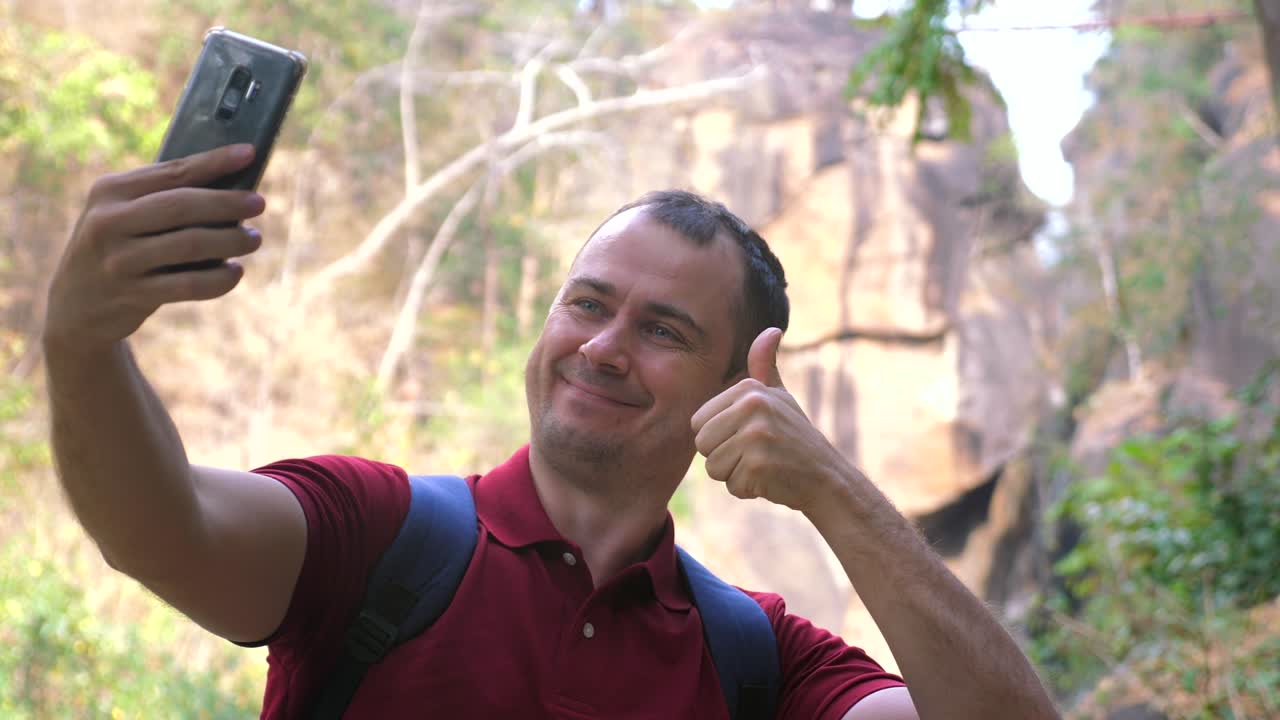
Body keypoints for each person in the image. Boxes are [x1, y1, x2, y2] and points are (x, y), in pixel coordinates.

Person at [43, 144, 1059, 720]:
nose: (604, 346)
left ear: (735, 384)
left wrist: (835, 491)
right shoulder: (378, 536)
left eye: (662, 330)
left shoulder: (756, 659)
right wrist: (83, 346)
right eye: (587, 303)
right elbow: (157, 528)